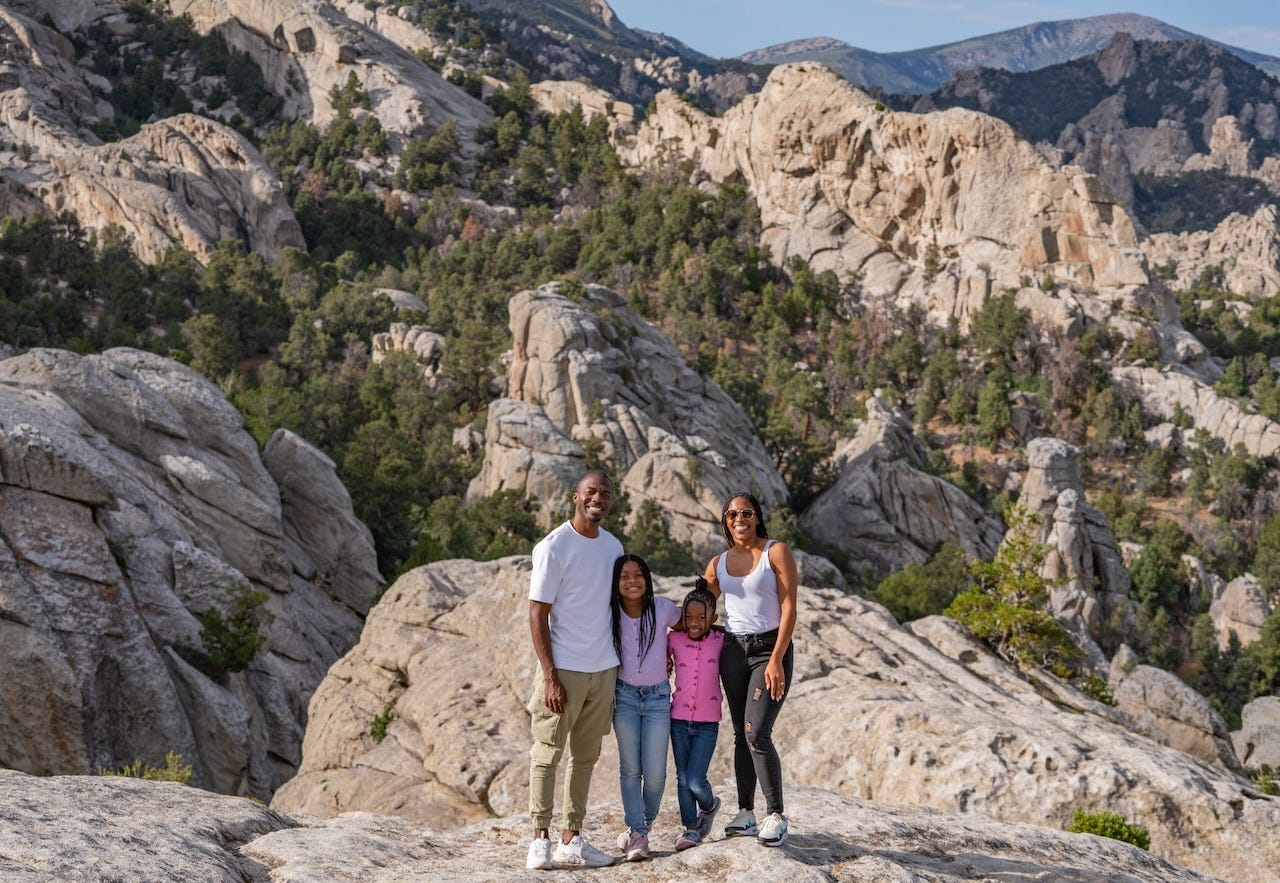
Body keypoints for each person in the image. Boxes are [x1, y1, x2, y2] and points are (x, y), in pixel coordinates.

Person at [525, 470, 623, 870]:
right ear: (575, 497)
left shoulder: (614, 547)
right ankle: (539, 839)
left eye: (604, 493)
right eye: (591, 492)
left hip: (603, 669)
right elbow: (537, 613)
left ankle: (572, 838)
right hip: (563, 668)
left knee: (586, 757)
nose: (598, 498)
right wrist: (549, 674)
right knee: (547, 752)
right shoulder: (554, 547)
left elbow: (621, 607)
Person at [702, 492, 798, 847]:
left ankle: (776, 815)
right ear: (725, 521)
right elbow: (702, 611)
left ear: (757, 517)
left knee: (757, 731)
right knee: (741, 734)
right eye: (731, 514)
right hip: (733, 650)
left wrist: (776, 659)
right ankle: (746, 813)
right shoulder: (719, 562)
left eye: (746, 513)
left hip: (768, 650)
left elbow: (789, 607)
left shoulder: (776, 552)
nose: (739, 519)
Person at [609, 553, 681, 862]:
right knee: (630, 769)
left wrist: (673, 653)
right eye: (624, 576)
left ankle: (642, 827)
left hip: (656, 699)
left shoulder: (662, 609)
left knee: (655, 774)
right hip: (624, 697)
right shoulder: (608, 612)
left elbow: (693, 621)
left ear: (647, 579)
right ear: (616, 583)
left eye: (638, 574)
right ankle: (638, 833)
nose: (632, 580)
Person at [668, 583, 724, 851]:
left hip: (707, 723)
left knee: (694, 779)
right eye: (688, 617)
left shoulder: (720, 640)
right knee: (681, 778)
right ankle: (690, 829)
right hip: (677, 719)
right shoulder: (673, 640)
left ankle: (710, 805)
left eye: (701, 618)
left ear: (712, 619)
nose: (694, 623)